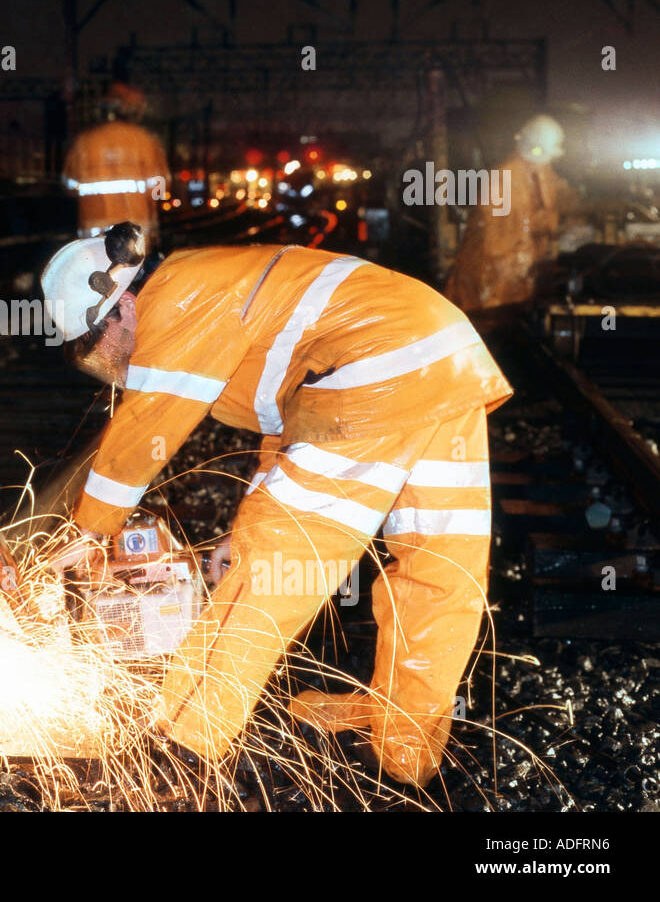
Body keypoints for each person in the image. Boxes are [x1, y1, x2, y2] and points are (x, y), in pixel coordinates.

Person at [41, 223, 513, 786]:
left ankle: (183, 741)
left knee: (273, 567)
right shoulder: (222, 284)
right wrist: (236, 533)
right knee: (441, 570)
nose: (111, 362)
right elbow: (293, 418)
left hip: (372, 373)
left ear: (121, 304)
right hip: (441, 362)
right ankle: (405, 745)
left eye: (99, 346)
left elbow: (144, 429)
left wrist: (88, 529)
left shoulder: (175, 296)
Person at [444, 114, 568, 323]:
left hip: (512, 284)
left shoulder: (539, 173)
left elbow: (555, 204)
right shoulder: (504, 177)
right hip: (488, 283)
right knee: (489, 331)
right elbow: (499, 240)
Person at [62, 83, 169, 245]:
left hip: (94, 233)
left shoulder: (84, 142)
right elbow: (160, 184)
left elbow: (69, 185)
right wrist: (152, 205)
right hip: (136, 231)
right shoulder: (145, 140)